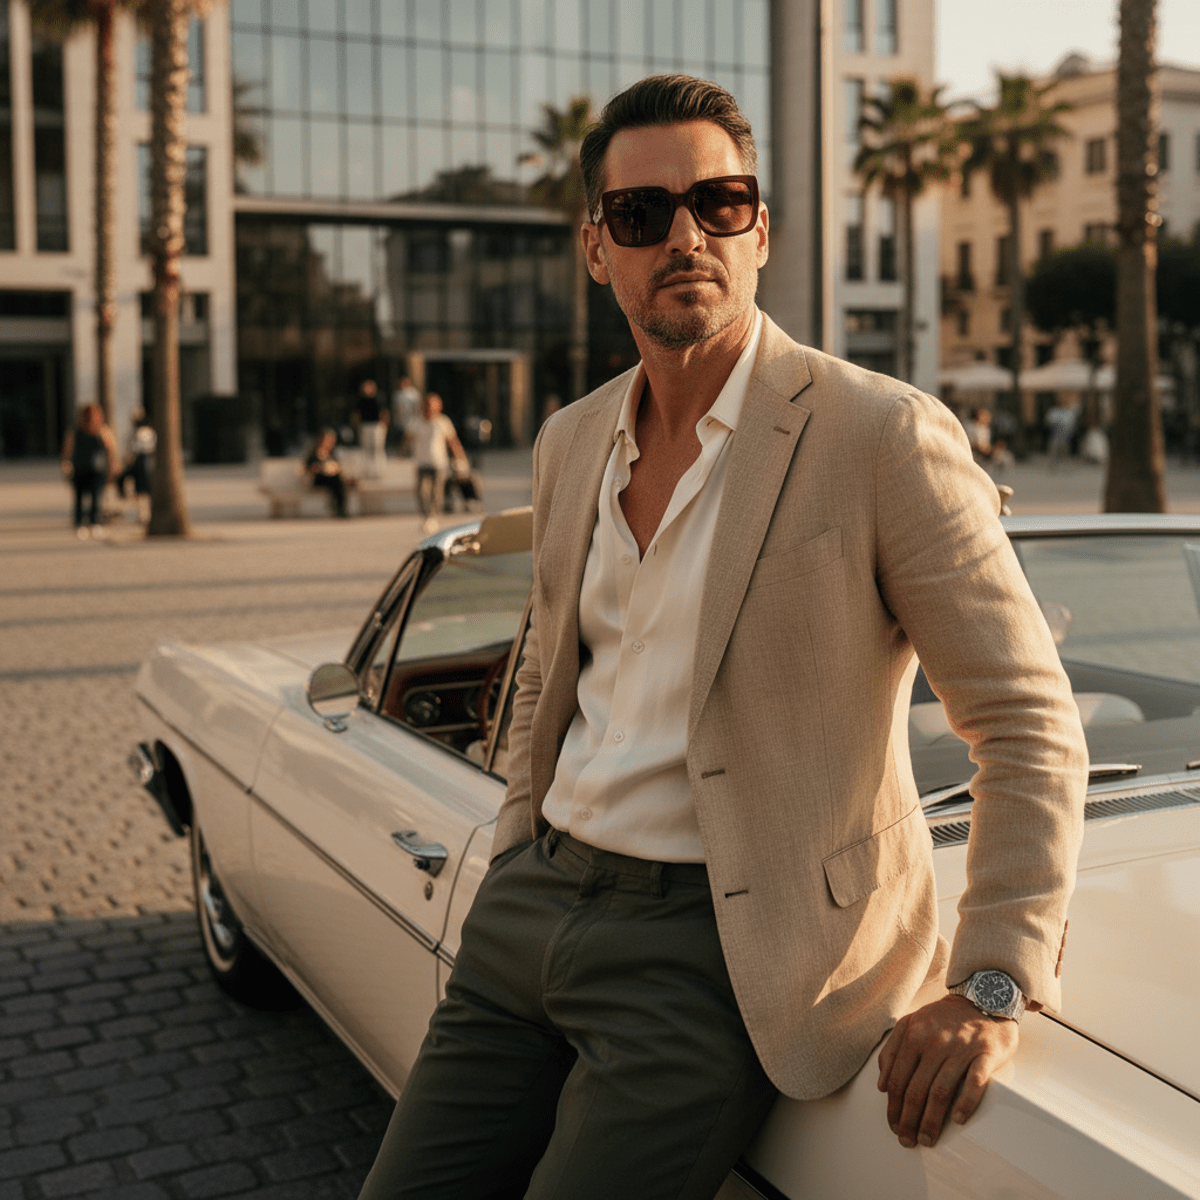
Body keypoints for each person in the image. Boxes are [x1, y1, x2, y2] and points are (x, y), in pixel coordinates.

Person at [359, 75, 1087, 1200]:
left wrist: (992, 978)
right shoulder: (569, 441)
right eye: (643, 216)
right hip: (533, 907)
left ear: (761, 232)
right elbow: (550, 667)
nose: (685, 236)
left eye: (721, 202)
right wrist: (515, 847)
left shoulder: (880, 435)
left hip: (715, 952)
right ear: (598, 249)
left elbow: (1030, 722)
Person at [409, 392, 467, 532]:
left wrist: (460, 457)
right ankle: (426, 517)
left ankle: (433, 518)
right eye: (427, 405)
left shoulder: (443, 422)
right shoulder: (416, 421)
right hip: (421, 462)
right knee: (421, 492)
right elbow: (408, 438)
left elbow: (452, 441)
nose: (429, 409)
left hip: (438, 463)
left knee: (436, 493)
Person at [61, 403, 118, 539]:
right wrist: (66, 464)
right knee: (79, 498)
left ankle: (94, 523)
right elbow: (67, 449)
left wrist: (113, 467)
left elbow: (111, 449)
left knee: (95, 498)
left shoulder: (103, 431)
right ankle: (80, 524)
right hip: (80, 469)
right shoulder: (76, 431)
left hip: (97, 471)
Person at [116, 408, 156, 524]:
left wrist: (128, 459)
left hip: (140, 462)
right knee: (141, 490)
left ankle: (143, 514)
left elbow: (136, 449)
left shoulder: (141, 432)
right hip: (143, 462)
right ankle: (141, 513)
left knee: (141, 491)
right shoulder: (146, 431)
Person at [305, 428, 349, 517]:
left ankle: (339, 507)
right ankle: (339, 508)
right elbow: (309, 468)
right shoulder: (314, 453)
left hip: (331, 479)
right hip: (319, 479)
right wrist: (322, 468)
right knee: (336, 480)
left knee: (337, 480)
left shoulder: (331, 454)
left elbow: (337, 467)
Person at [356, 379, 389, 478]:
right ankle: (368, 471)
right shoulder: (361, 400)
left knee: (377, 448)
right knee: (367, 449)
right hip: (365, 426)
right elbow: (356, 414)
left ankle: (379, 470)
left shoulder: (379, 398)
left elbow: (384, 413)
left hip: (377, 426)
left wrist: (384, 426)